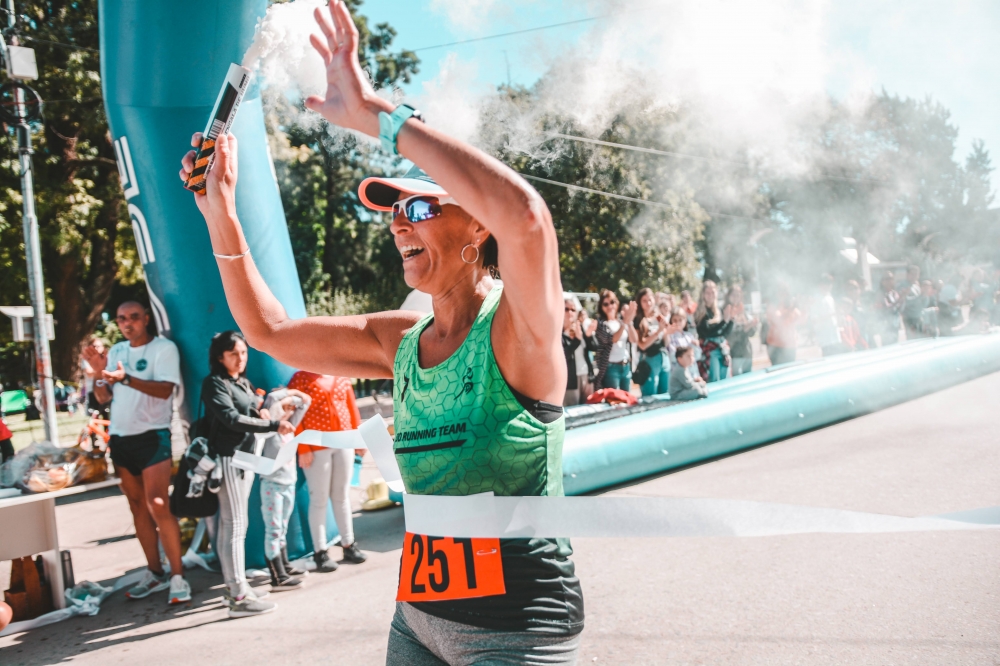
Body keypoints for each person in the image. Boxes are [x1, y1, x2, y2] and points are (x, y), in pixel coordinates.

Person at [181, 3, 584, 658]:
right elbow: (270, 329)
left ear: (476, 226)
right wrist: (218, 211)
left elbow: (529, 220)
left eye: (420, 207)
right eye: (395, 213)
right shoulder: (400, 339)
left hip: (516, 630)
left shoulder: (516, 332)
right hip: (418, 620)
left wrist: (381, 118)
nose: (401, 223)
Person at [83, 301, 190, 604]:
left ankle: (178, 577)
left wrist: (126, 378)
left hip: (152, 434)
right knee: (136, 506)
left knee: (157, 503)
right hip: (120, 437)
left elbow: (166, 390)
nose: (128, 323)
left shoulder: (163, 348)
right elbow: (104, 396)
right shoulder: (116, 351)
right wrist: (97, 372)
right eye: (121, 319)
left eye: (133, 317)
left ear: (146, 319)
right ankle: (155, 573)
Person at [202, 330, 294, 617]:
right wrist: (271, 425)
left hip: (246, 459)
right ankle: (239, 595)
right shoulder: (214, 383)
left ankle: (237, 588)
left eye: (243, 352)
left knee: (233, 526)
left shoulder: (240, 382)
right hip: (229, 459)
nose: (240, 358)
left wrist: (263, 414)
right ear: (220, 356)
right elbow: (230, 419)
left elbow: (249, 412)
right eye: (233, 354)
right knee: (234, 526)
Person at [287, 371, 367, 571]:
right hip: (316, 447)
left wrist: (359, 438)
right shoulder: (301, 379)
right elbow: (297, 414)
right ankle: (320, 551)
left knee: (341, 496)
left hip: (344, 442)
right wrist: (303, 447)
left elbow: (351, 407)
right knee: (319, 498)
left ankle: (349, 543)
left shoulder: (341, 376)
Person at [258, 386, 311, 591]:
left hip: (288, 483)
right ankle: (277, 576)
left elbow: (306, 402)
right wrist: (289, 393)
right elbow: (271, 399)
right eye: (286, 406)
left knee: (283, 528)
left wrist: (297, 397)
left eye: (292, 407)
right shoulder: (271, 429)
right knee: (274, 529)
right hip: (272, 484)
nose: (290, 409)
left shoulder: (291, 427)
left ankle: (285, 565)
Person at [594, 289, 638, 391]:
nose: (610, 306)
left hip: (625, 366)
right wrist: (625, 322)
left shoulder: (620, 321)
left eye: (612, 302)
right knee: (615, 401)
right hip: (611, 368)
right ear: (601, 307)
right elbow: (613, 339)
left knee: (626, 400)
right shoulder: (601, 323)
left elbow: (634, 339)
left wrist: (629, 321)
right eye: (606, 304)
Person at [633, 288, 672, 396]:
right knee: (650, 395)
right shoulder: (638, 320)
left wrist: (667, 331)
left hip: (663, 356)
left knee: (664, 394)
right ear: (640, 302)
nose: (648, 303)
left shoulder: (658, 316)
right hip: (649, 359)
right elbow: (642, 345)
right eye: (644, 301)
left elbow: (666, 341)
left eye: (650, 300)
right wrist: (658, 330)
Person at [694, 280, 733, 382]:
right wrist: (724, 321)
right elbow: (707, 332)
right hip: (710, 350)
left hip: (722, 348)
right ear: (703, 294)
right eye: (708, 293)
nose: (710, 295)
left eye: (713, 292)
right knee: (714, 379)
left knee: (726, 378)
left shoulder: (718, 310)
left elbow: (724, 333)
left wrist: (730, 320)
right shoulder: (700, 312)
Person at [724, 285, 758, 376]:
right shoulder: (726, 311)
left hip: (747, 352)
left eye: (738, 295)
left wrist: (753, 325)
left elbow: (751, 333)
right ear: (728, 296)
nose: (736, 298)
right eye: (734, 295)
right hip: (734, 354)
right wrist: (745, 328)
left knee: (749, 380)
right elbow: (728, 335)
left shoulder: (744, 311)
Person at [765, 283, 802, 366]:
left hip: (790, 345)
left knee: (790, 372)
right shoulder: (772, 306)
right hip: (776, 346)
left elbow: (801, 320)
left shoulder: (791, 307)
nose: (783, 294)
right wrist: (792, 308)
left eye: (785, 291)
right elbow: (779, 320)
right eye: (781, 291)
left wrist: (805, 306)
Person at [562, 297, 585, 405]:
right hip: (570, 381)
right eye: (566, 309)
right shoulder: (557, 332)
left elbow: (595, 347)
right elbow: (562, 356)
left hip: (584, 375)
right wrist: (577, 341)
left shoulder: (580, 328)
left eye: (573, 310)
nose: (570, 312)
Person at [80, 336, 110, 420]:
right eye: (94, 346)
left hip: (106, 390)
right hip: (92, 391)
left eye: (99, 346)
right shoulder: (86, 359)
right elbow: (89, 372)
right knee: (94, 418)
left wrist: (99, 370)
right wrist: (100, 370)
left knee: (107, 417)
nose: (96, 348)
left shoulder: (106, 359)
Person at [812, 274, 842, 356]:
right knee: (828, 357)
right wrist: (831, 314)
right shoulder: (816, 299)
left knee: (837, 356)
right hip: (825, 336)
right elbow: (814, 318)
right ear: (820, 285)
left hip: (834, 333)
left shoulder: (830, 297)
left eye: (830, 283)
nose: (829, 286)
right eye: (826, 283)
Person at [873, 271, 902, 346]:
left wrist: (903, 299)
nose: (890, 281)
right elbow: (884, 309)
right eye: (887, 279)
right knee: (888, 346)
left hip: (894, 323)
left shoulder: (894, 293)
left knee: (895, 345)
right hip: (886, 325)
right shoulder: (880, 294)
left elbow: (899, 308)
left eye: (891, 278)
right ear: (882, 281)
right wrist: (898, 301)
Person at [898, 265, 924, 340]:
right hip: (909, 318)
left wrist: (925, 296)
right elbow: (904, 303)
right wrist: (919, 297)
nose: (914, 276)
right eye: (912, 274)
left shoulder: (916, 286)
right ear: (907, 274)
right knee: (912, 340)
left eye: (916, 274)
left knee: (921, 339)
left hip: (918, 317)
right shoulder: (902, 285)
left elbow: (921, 304)